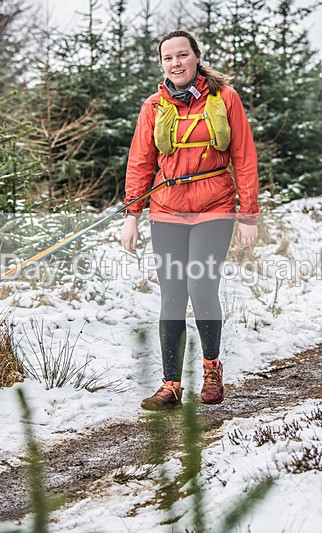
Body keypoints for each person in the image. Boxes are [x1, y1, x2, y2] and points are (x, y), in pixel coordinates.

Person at [120, 30, 259, 410]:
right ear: (162, 64)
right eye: (168, 58)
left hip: (214, 206)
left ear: (196, 58)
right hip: (166, 210)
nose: (176, 63)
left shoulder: (224, 98)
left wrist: (248, 214)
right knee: (172, 297)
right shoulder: (153, 106)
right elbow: (141, 161)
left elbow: (244, 157)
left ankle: (212, 369)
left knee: (200, 289)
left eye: (183, 55)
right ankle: (171, 386)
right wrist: (131, 215)